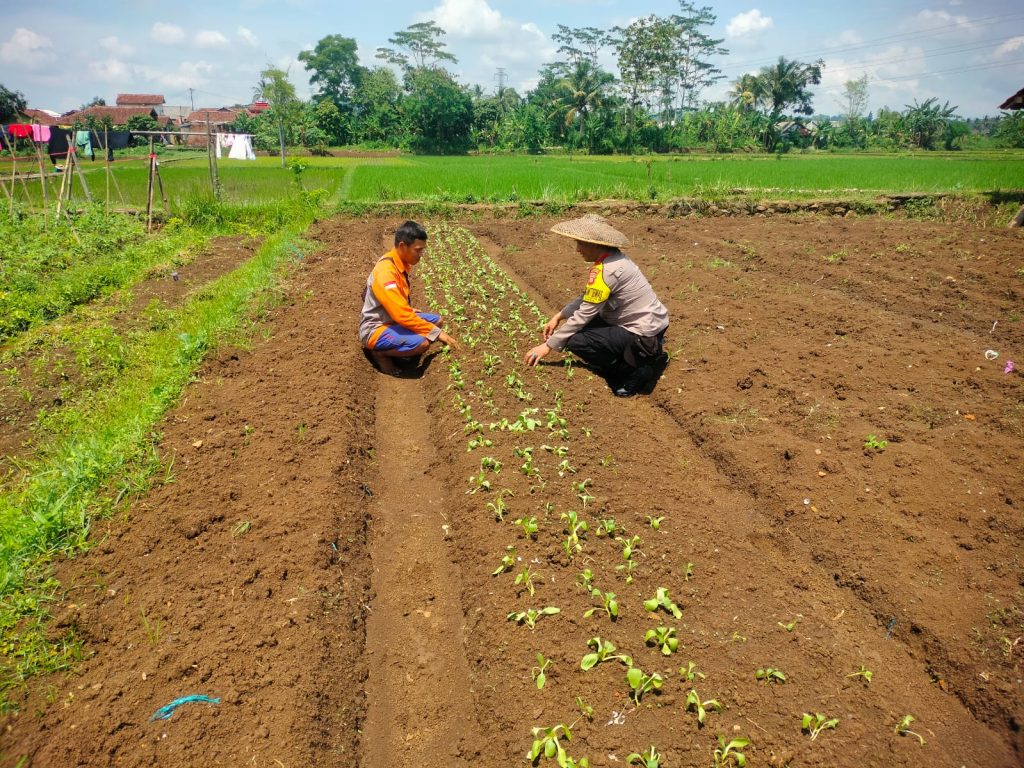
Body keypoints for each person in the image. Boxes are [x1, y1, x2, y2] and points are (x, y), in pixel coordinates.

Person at [523, 214, 669, 397]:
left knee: (573, 339)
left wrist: (547, 346)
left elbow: (584, 313)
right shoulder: (613, 258)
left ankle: (634, 371)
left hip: (643, 333)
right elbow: (588, 298)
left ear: (595, 244)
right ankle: (632, 358)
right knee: (573, 327)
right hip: (649, 324)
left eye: (581, 244)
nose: (578, 249)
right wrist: (559, 316)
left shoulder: (608, 271)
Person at [359, 220, 458, 375]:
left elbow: (393, 302)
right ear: (403, 246)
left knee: (437, 321)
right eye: (418, 250)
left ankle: (404, 353)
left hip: (391, 319)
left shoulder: (397, 263)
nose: (421, 255)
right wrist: (437, 334)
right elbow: (401, 315)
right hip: (376, 328)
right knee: (423, 343)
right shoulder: (386, 273)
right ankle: (382, 354)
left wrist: (409, 310)